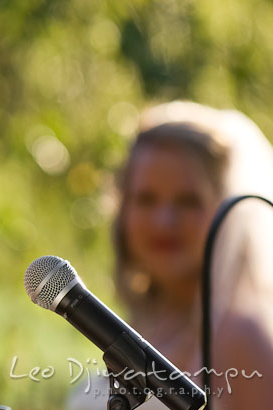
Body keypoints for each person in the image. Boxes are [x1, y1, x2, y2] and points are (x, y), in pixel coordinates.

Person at [68, 101, 273, 409]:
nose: (165, 222)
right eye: (147, 199)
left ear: (223, 209)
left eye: (188, 201)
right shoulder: (136, 323)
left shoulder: (241, 337)